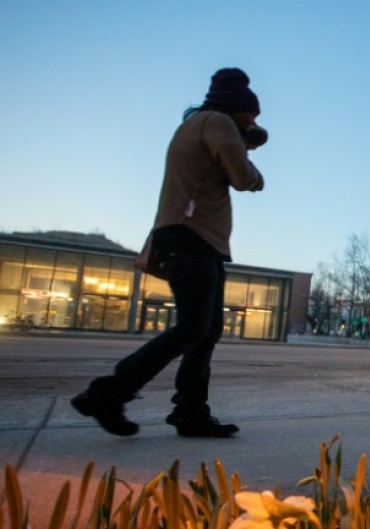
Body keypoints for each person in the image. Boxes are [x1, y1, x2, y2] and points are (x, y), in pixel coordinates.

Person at [71, 68, 267, 438]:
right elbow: (245, 179)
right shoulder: (219, 123)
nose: (257, 121)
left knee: (205, 331)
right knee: (193, 328)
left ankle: (190, 411)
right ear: (241, 109)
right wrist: (253, 164)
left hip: (192, 238)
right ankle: (106, 394)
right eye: (254, 115)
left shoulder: (196, 124)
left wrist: (244, 139)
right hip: (191, 236)